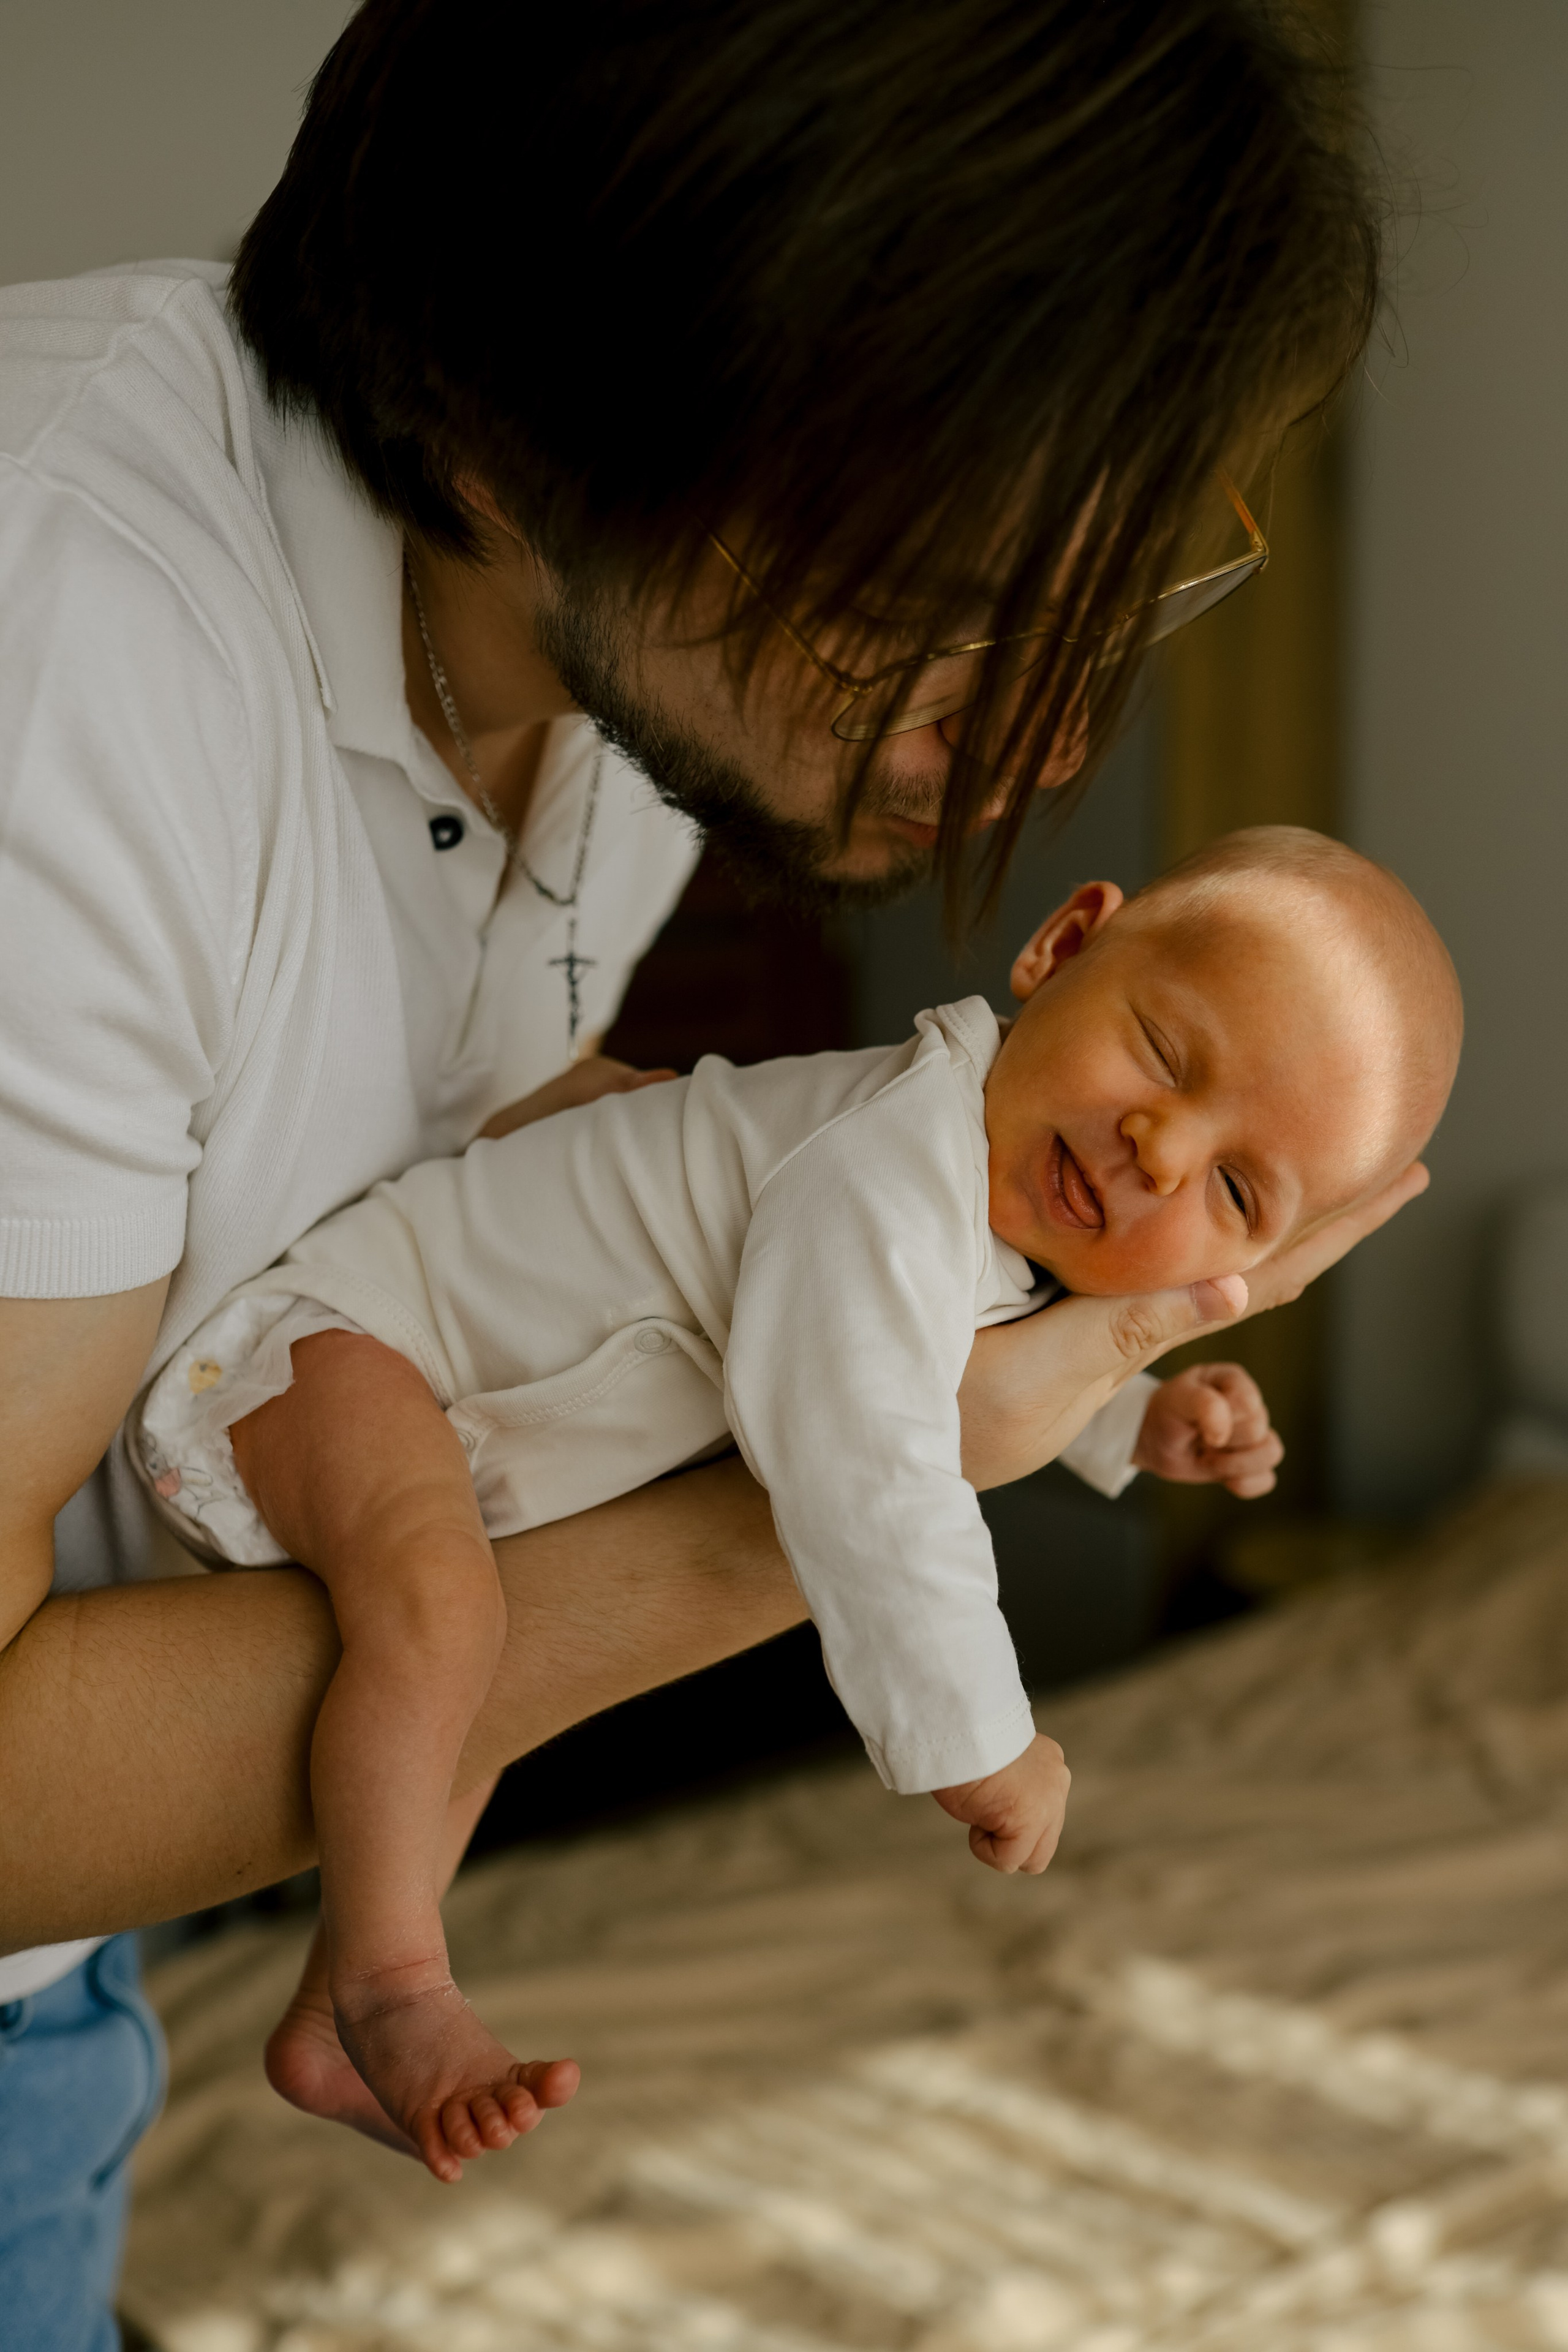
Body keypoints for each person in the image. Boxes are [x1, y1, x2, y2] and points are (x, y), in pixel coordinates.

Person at [0, 0, 1408, 2340]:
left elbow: (410, 1110)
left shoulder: (606, 691)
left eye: (1115, 586)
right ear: (529, 407)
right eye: (952, 599)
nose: (1042, 732)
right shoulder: (62, 675)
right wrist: (848, 1465)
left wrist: (915, 1279)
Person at [115, 824, 1458, 2184]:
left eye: (1234, 1189)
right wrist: (976, 1731)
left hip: (441, 1424)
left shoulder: (983, 1219)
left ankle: (326, 2019)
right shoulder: (889, 1165)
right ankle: (393, 1987)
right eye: (1165, 1054)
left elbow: (948, 1355)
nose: (1161, 1149)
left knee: (477, 1696)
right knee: (451, 1621)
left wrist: (1126, 1413)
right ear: (1059, 949)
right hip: (334, 1347)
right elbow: (868, 1456)